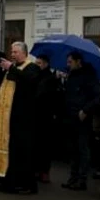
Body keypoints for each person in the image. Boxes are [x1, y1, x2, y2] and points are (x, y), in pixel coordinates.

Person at [0, 42, 41, 194]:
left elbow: (29, 80)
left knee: (24, 152)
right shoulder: (13, 68)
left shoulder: (31, 67)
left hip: (24, 119)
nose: (12, 54)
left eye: (16, 52)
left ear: (24, 53)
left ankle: (28, 185)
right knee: (12, 151)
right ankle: (10, 182)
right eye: (11, 51)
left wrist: (11, 68)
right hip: (9, 118)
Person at [62, 51, 100, 191]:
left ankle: (82, 179)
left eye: (70, 62)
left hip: (82, 118)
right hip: (70, 117)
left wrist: (85, 110)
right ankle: (73, 177)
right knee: (73, 149)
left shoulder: (89, 76)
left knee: (82, 149)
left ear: (78, 61)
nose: (68, 65)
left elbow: (98, 98)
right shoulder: (71, 75)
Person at [32, 54, 63, 183]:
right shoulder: (36, 76)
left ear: (45, 64)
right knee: (36, 145)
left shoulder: (50, 79)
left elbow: (53, 98)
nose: (37, 65)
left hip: (46, 116)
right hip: (36, 116)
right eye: (36, 63)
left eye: (39, 63)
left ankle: (44, 171)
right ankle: (37, 170)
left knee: (45, 145)